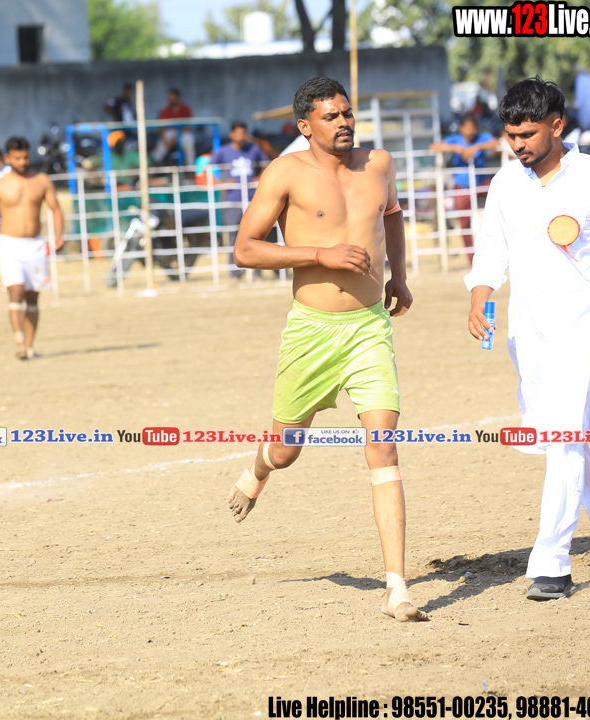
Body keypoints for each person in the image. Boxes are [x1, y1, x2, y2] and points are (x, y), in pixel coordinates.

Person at [228, 77, 425, 622]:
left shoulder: (379, 165)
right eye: (331, 116)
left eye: (347, 113)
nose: (344, 123)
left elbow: (392, 216)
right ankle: (259, 469)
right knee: (286, 450)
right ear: (305, 125)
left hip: (368, 328)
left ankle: (397, 588)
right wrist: (320, 254)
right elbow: (245, 249)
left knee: (383, 447)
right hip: (311, 332)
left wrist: (399, 276)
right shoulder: (284, 172)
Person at [466, 77, 590, 601]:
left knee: (563, 437)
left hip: (583, 327)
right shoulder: (505, 183)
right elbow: (491, 248)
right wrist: (479, 297)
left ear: (557, 125)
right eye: (510, 135)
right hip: (528, 331)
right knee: (558, 437)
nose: (517, 144)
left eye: (527, 134)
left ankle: (551, 563)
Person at [0, 136, 64, 360]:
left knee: (32, 296)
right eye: (17, 158)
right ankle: (19, 344)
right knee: (15, 291)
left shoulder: (41, 181)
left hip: (35, 244)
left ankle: (29, 345)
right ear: (8, 158)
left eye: (25, 157)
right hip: (9, 244)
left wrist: (59, 235)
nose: (23, 162)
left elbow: (55, 209)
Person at [429, 115, 499, 255]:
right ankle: (470, 258)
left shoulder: (482, 138)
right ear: (461, 129)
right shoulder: (455, 139)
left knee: (499, 202)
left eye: (472, 128)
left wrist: (476, 147)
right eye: (467, 128)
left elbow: (496, 143)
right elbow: (434, 147)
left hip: (481, 182)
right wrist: (457, 149)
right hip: (461, 186)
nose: (470, 131)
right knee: (464, 222)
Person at [213, 121, 269, 277]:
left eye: (243, 133)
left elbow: (267, 164)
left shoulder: (254, 149)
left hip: (253, 199)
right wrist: (221, 183)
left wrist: (260, 178)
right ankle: (235, 274)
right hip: (232, 200)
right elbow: (207, 167)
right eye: (237, 133)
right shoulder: (223, 151)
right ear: (231, 134)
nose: (240, 136)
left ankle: (257, 273)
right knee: (233, 236)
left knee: (256, 236)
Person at [152, 87, 195, 167]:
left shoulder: (185, 109)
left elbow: (188, 127)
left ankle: (191, 169)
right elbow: (160, 128)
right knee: (162, 144)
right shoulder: (165, 110)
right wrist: (165, 140)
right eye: (169, 98)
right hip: (169, 133)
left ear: (178, 97)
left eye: (173, 97)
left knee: (189, 140)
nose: (171, 99)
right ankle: (153, 165)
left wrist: (176, 138)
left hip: (182, 133)